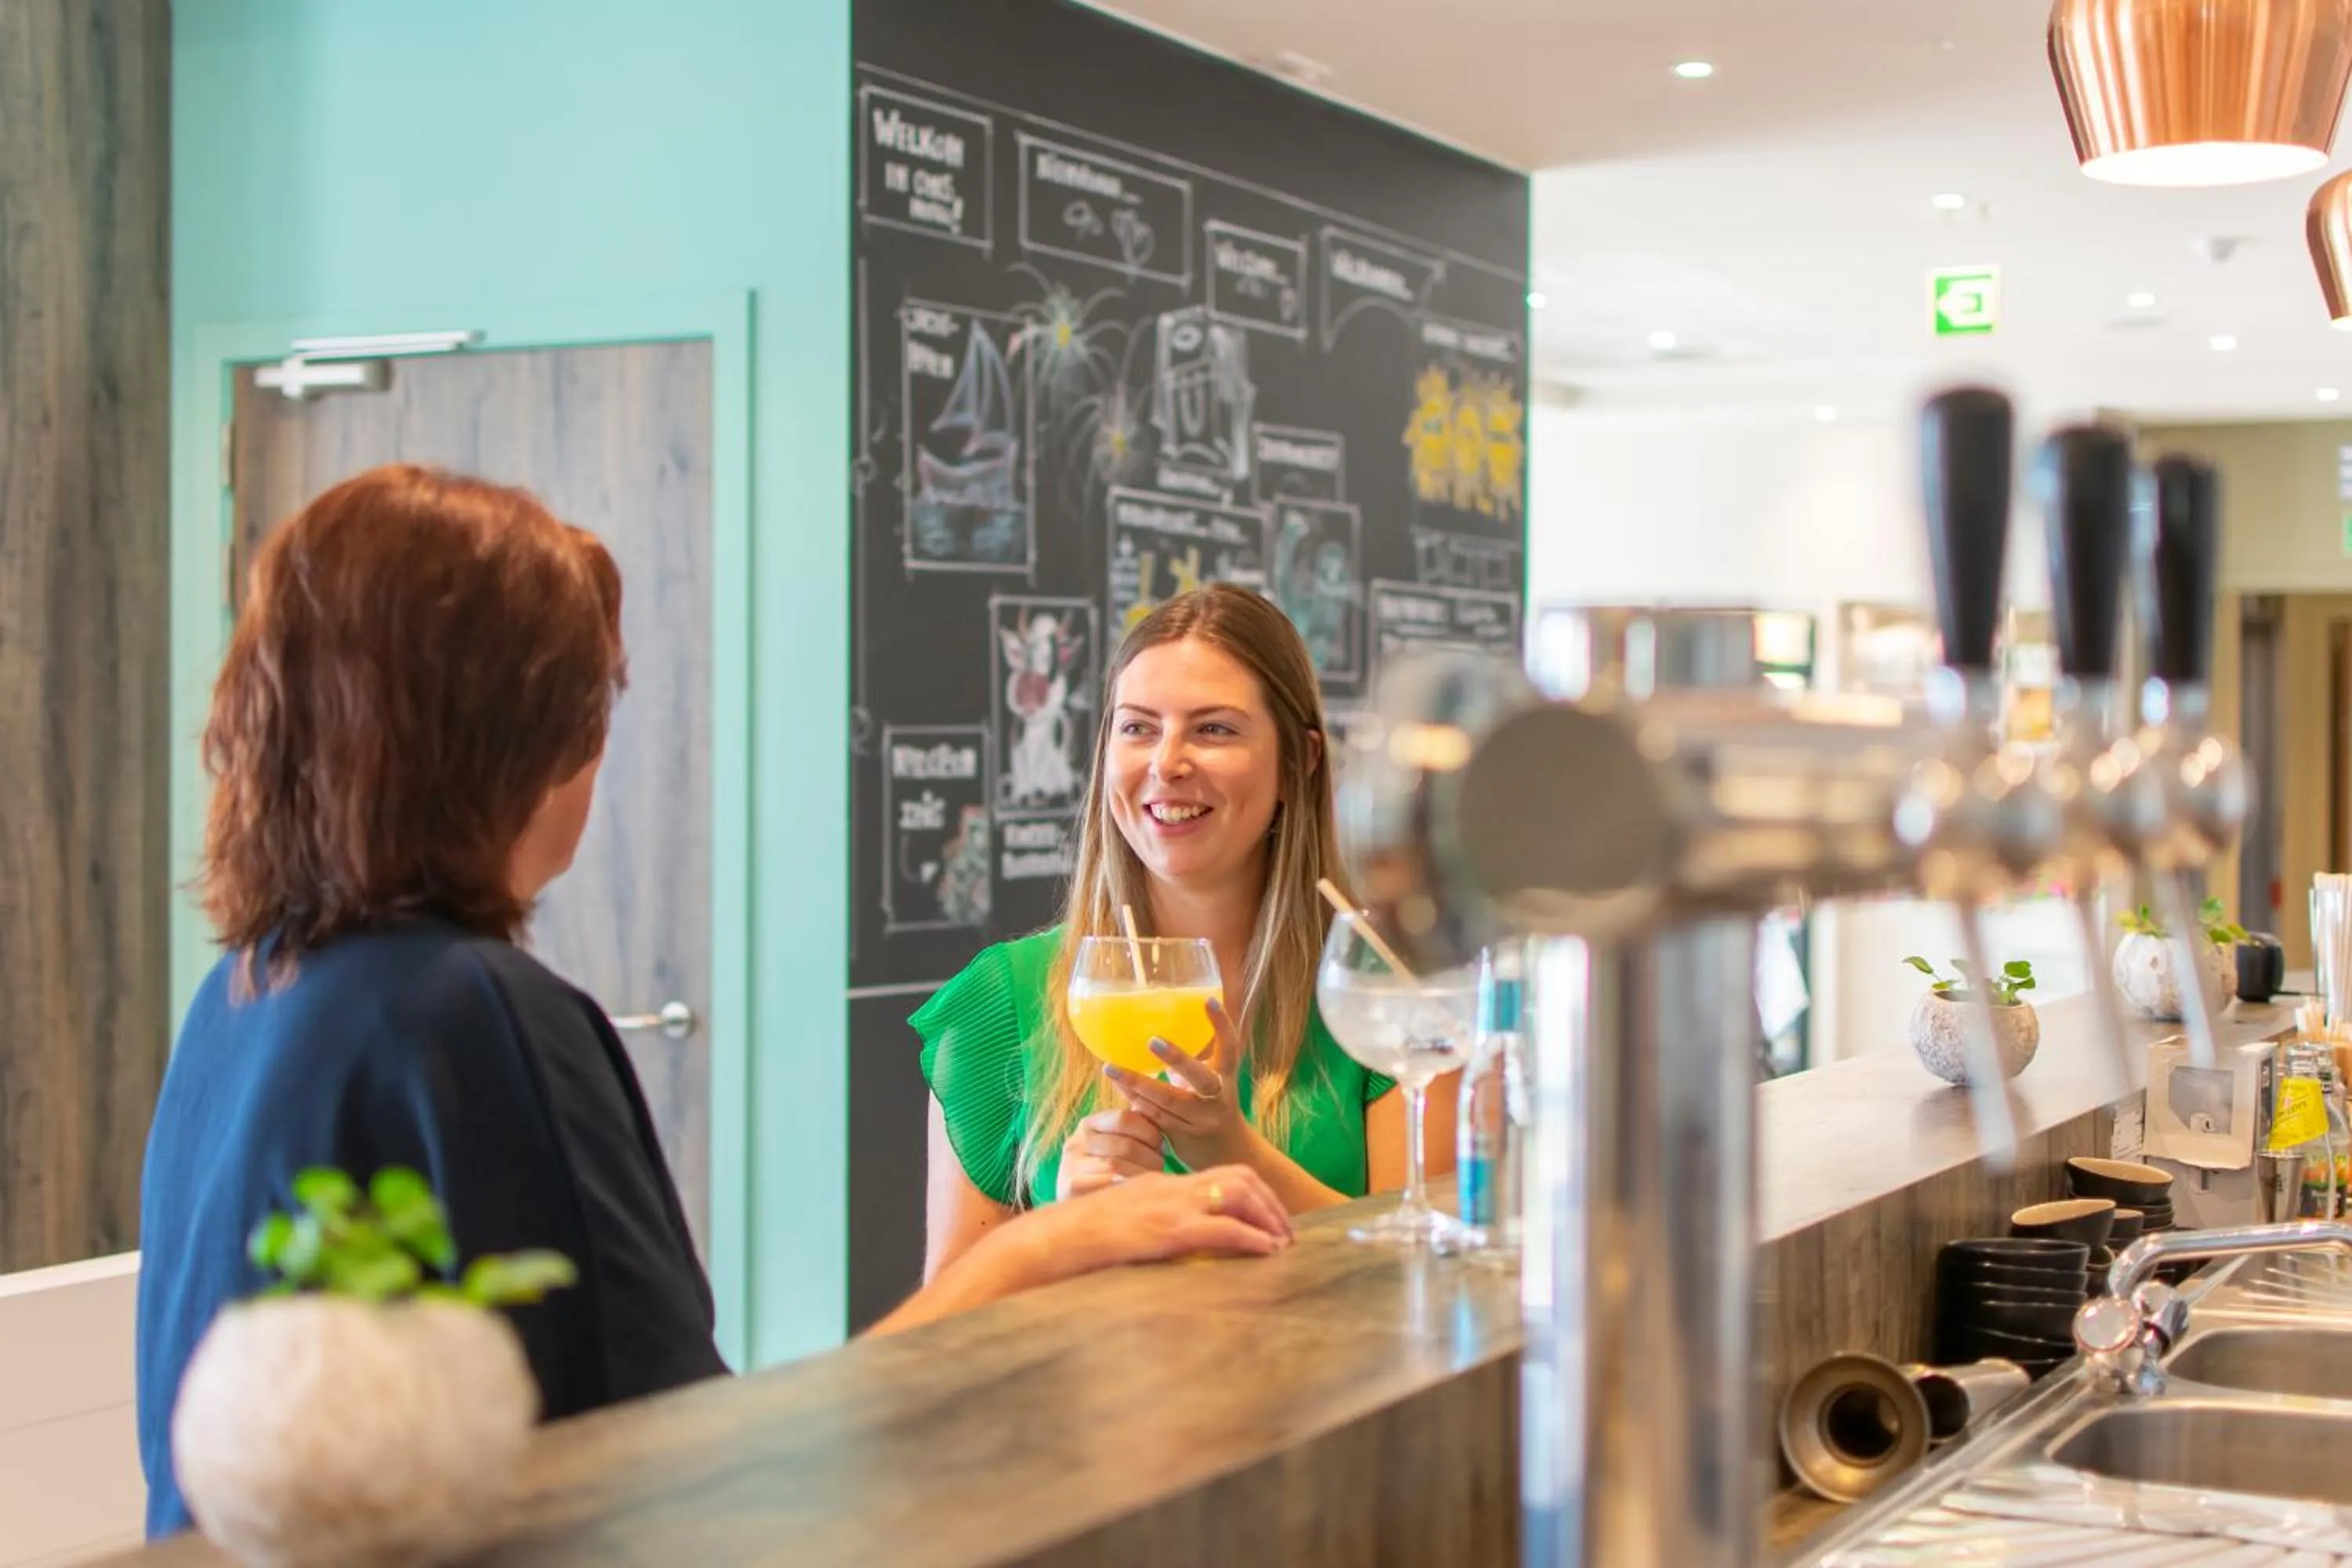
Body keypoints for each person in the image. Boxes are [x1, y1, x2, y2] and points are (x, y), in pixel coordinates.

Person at [135, 466, 1291, 1539]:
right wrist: (1050, 1245)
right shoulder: (477, 1014)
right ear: (519, 736)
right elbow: (701, 1464)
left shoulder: (242, 990)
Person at [917, 585, 1456, 1276]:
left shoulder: (1389, 991)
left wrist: (1232, 1151)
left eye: (1214, 729)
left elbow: (1432, 1280)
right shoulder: (1000, 1001)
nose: (1167, 763)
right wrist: (1067, 1234)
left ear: (1301, 762)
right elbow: (951, 1329)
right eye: (1138, 727)